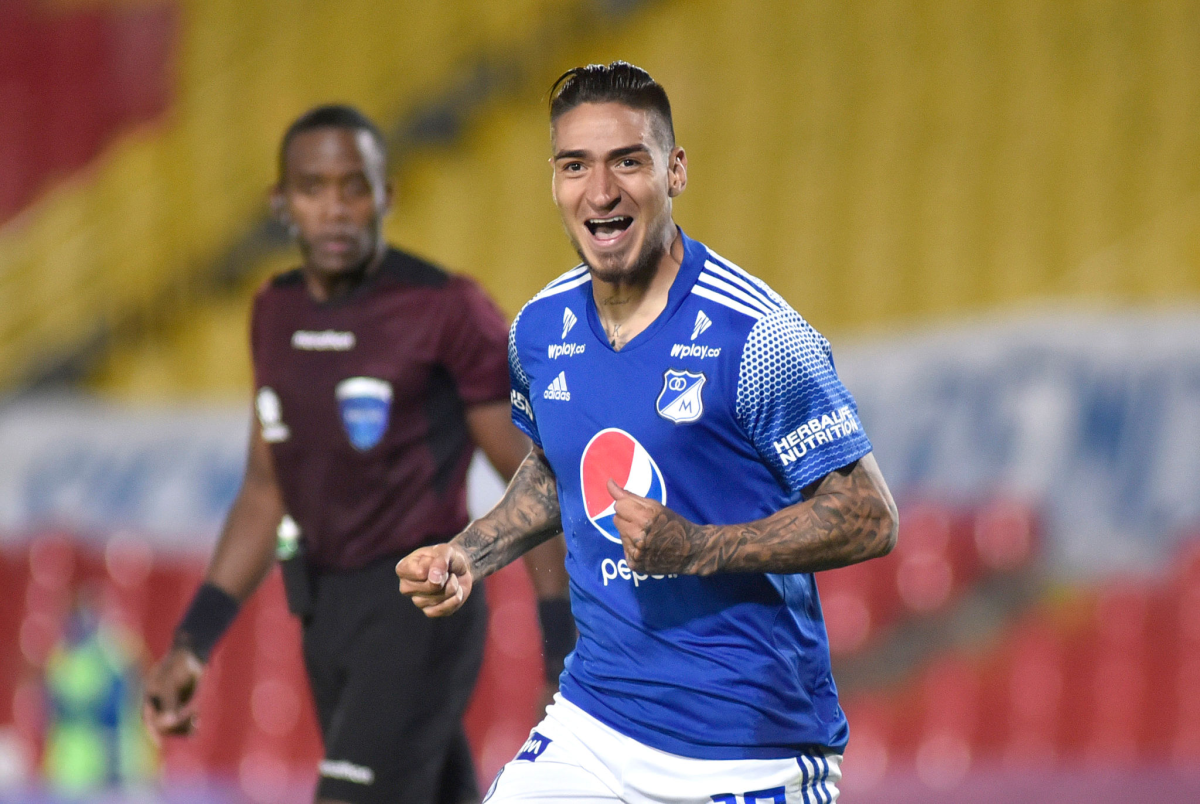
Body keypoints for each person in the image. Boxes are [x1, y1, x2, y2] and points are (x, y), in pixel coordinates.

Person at [397, 62, 899, 804]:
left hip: (748, 746)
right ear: (555, 181)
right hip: (596, 725)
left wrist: (698, 548)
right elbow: (553, 467)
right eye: (576, 166)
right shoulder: (539, 330)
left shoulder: (756, 335)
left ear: (675, 170)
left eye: (627, 161)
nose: (601, 191)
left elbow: (870, 516)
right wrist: (469, 552)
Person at [142, 104, 573, 804]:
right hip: (323, 614)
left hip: (421, 606)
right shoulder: (272, 312)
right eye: (314, 188)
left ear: (386, 195)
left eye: (354, 187)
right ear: (281, 202)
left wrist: (561, 648)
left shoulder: (446, 308)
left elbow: (538, 483)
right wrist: (193, 640)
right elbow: (263, 488)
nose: (335, 209)